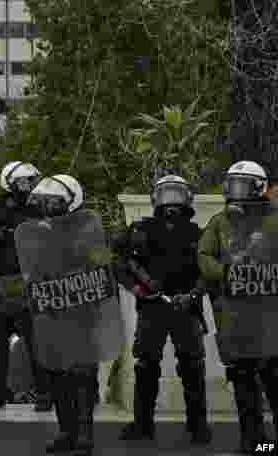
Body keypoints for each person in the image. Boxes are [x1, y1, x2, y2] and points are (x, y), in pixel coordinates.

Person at [116, 174, 211, 444]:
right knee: (146, 367)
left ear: (188, 199)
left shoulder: (198, 234)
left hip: (187, 308)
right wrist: (136, 288)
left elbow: (210, 271)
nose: (171, 200)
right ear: (155, 199)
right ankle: (142, 425)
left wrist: (192, 295)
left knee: (193, 368)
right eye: (166, 194)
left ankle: (198, 427)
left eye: (177, 194)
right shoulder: (139, 230)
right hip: (151, 308)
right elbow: (118, 262)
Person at [198, 160, 277, 454]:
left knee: (273, 379)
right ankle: (254, 444)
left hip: (270, 317)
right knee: (244, 384)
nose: (235, 192)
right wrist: (225, 273)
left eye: (242, 185)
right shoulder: (219, 222)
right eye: (231, 185)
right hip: (235, 317)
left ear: (259, 188)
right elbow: (204, 255)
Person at [27, 174, 99, 455]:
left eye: (55, 202)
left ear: (72, 201)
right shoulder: (42, 231)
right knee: (57, 374)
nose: (49, 207)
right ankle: (66, 431)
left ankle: (84, 434)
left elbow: (97, 270)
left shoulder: (87, 229)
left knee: (81, 375)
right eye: (46, 202)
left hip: (80, 310)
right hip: (52, 311)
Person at [0, 161, 51, 411]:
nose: (30, 185)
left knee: (37, 343)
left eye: (32, 180)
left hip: (30, 286)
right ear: (10, 183)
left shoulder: (40, 210)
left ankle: (44, 393)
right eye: (24, 181)